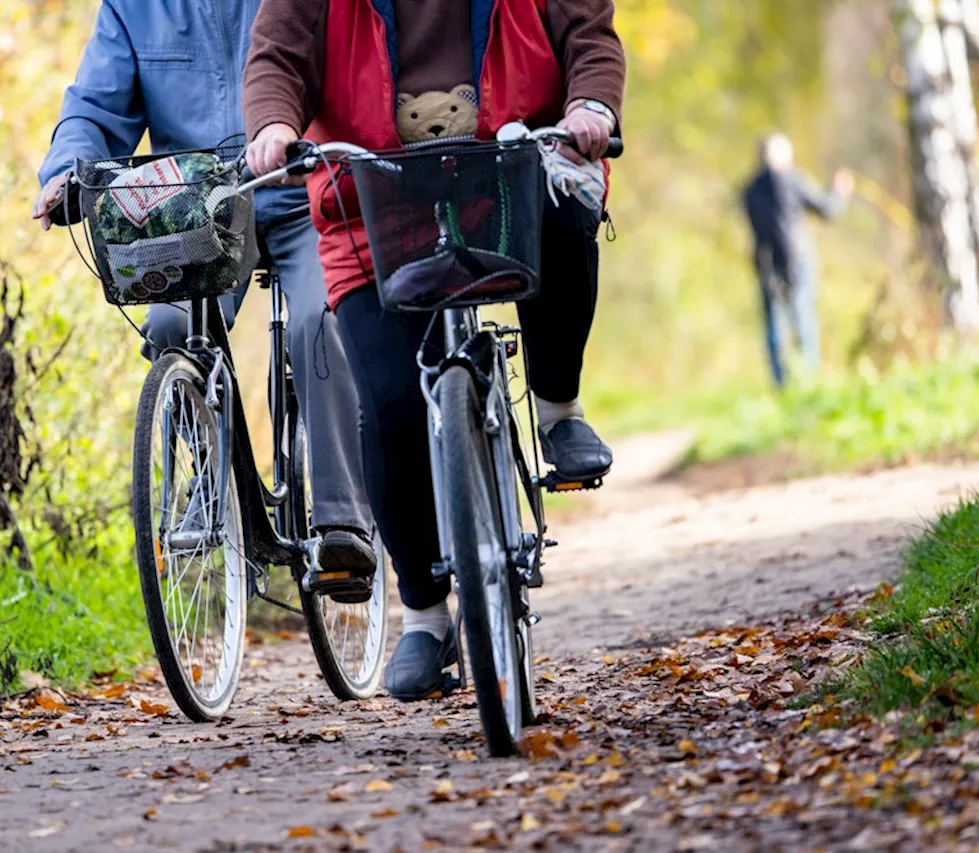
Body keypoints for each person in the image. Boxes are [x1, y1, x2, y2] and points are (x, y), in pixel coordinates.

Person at [242, 0, 625, 701]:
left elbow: (589, 36)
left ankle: (557, 408)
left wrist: (592, 106)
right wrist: (272, 126)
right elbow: (277, 57)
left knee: (571, 206)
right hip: (372, 204)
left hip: (507, 176)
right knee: (388, 406)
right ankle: (424, 613)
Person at [31, 1, 376, 576]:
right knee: (168, 325)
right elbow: (94, 105)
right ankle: (215, 479)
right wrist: (68, 169)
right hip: (200, 211)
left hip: (304, 197)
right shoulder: (134, 9)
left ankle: (344, 521)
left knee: (321, 320)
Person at [743, 133, 855, 389]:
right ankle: (809, 380)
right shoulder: (794, 181)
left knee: (774, 324)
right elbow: (828, 209)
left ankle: (780, 384)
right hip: (798, 260)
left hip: (766, 262)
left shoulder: (750, 189)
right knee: (803, 317)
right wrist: (840, 190)